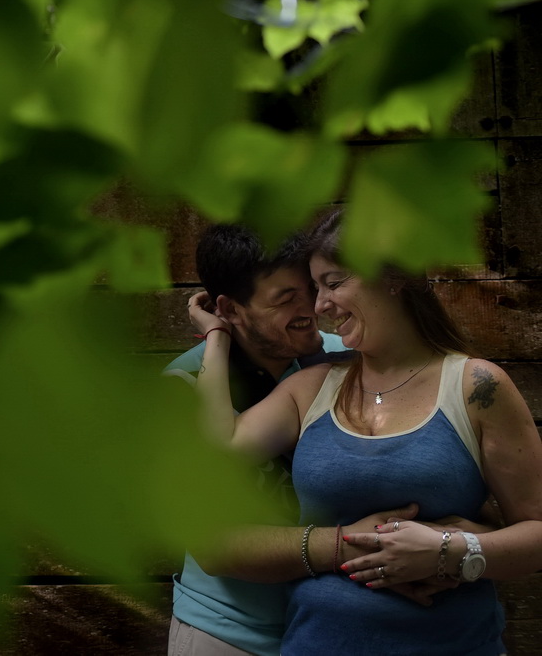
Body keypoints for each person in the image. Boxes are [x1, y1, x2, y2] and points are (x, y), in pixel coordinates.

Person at [188, 209, 542, 655]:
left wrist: (450, 549)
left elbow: (537, 532)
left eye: (333, 284)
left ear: (392, 277)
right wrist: (218, 335)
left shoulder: (476, 386)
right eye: (315, 289)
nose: (319, 306)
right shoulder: (312, 387)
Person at [165, 223, 395, 656]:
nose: (311, 306)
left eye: (309, 288)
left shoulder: (348, 357)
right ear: (230, 310)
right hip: (230, 634)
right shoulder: (180, 387)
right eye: (285, 298)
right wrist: (352, 543)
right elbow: (211, 545)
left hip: (343, 627)